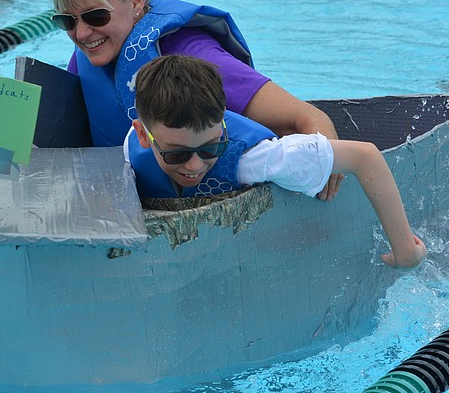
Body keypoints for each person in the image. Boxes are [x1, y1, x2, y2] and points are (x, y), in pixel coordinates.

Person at [51, 0, 345, 201]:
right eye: (68, 21)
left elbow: (307, 118)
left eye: (96, 16)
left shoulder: (191, 59)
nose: (82, 34)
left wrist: (325, 175)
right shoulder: (86, 60)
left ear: (136, 0)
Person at [125, 55, 427, 269]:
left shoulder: (257, 158)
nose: (194, 165)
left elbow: (366, 156)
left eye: (209, 148)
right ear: (143, 135)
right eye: (177, 154)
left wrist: (406, 252)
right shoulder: (132, 148)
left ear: (223, 128)